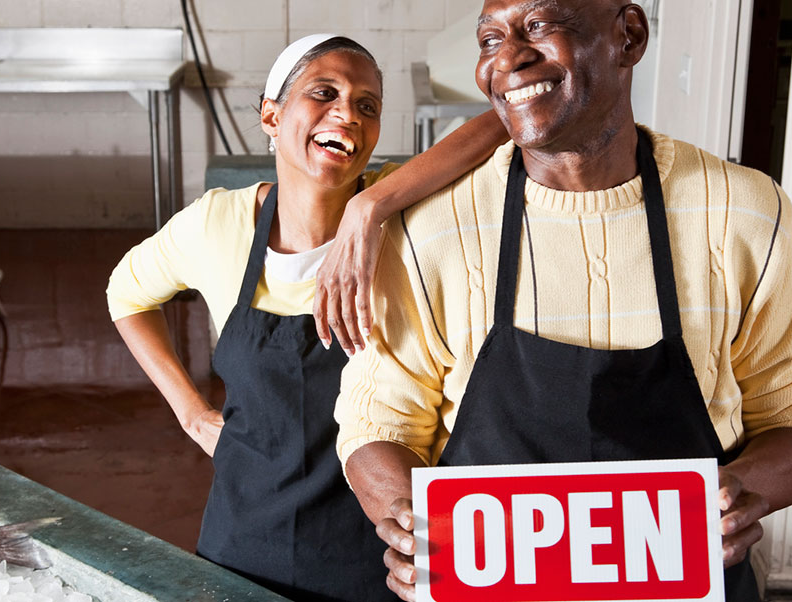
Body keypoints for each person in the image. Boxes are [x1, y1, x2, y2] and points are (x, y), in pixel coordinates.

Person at [327, 2, 792, 600]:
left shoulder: (745, 214)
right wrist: (408, 519)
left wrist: (732, 497)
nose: (508, 56)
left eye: (542, 26)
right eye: (490, 38)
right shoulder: (430, 230)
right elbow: (377, 422)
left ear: (627, 36)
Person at [106, 35, 508, 601]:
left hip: (380, 545)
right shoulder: (218, 225)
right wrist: (193, 414)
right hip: (243, 541)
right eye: (324, 93)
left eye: (368, 105)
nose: (348, 113)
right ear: (272, 115)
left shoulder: (409, 209)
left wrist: (372, 207)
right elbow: (125, 296)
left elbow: (506, 120)